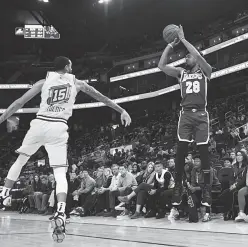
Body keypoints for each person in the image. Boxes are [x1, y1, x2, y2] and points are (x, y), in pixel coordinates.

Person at [0, 56, 131, 242]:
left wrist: (1, 119)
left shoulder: (43, 82)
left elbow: (18, 103)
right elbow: (101, 97)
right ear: (68, 67)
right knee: (60, 173)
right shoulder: (77, 83)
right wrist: (121, 110)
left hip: (40, 123)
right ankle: (61, 212)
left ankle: (4, 193)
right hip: (58, 127)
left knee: (20, 160)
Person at [158, 25, 212, 220]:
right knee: (181, 150)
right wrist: (170, 46)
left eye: (188, 56)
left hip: (201, 115)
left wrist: (183, 39)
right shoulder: (181, 73)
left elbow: (197, 56)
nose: (186, 58)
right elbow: (161, 66)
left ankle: (206, 190)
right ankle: (179, 185)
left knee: (204, 151)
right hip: (186, 114)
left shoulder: (205, 71)